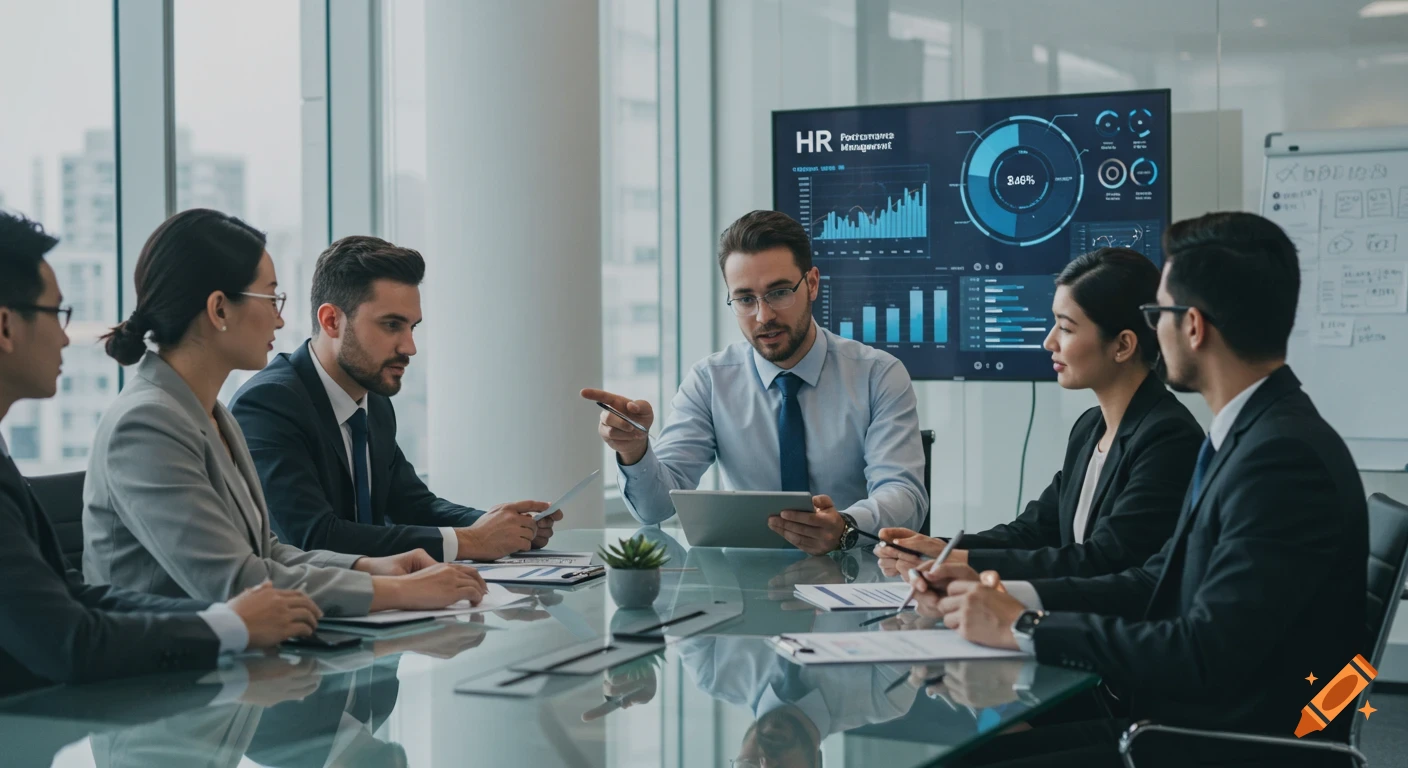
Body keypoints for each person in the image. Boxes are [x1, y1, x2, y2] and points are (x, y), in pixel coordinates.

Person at [906, 212, 1368, 768]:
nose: (1154, 329)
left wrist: (1025, 627)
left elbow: (1202, 649)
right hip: (1181, 718)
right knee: (958, 743)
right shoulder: (1254, 433)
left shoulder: (1279, 458)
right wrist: (1014, 603)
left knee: (957, 756)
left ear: (1192, 326)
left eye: (1159, 314)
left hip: (1210, 743)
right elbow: (1154, 581)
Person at [82, 209, 488, 617]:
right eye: (272, 298)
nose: (279, 317)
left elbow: (266, 552)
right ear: (219, 310)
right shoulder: (147, 424)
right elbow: (236, 582)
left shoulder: (213, 415)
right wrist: (397, 591)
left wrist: (373, 567)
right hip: (171, 673)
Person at [0, 211, 322, 696]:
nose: (67, 336)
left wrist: (228, 619)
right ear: (5, 326)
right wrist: (229, 626)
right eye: (56, 314)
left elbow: (73, 597)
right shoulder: (148, 420)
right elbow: (70, 642)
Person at [583, 210, 927, 555]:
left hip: (857, 581)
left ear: (811, 284)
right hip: (746, 588)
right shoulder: (711, 381)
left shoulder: (877, 374)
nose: (763, 316)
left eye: (778, 293)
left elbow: (904, 495)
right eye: (746, 300)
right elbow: (655, 509)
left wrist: (846, 526)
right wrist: (634, 452)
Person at [874, 248, 1202, 581]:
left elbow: (1105, 559)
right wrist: (935, 548)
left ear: (1123, 346)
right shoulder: (1091, 427)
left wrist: (958, 562)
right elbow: (1032, 532)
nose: (1049, 342)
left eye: (1066, 328)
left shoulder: (1168, 438)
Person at [228, 235, 557, 563]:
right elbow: (313, 537)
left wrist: (503, 527)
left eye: (412, 327)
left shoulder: (374, 402)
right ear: (331, 321)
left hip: (380, 603)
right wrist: (470, 540)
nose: (409, 347)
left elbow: (412, 505)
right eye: (391, 325)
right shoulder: (268, 404)